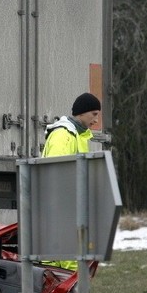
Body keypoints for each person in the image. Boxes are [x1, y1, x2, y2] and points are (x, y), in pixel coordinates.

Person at [41, 92, 101, 271]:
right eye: (94, 114)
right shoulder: (64, 135)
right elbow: (55, 175)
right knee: (64, 265)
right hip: (62, 213)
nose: (96, 120)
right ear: (82, 113)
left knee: (70, 263)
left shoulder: (77, 135)